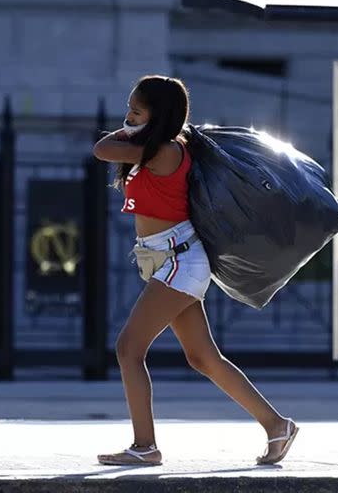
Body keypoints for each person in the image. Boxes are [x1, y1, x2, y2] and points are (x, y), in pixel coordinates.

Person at [92, 76, 298, 466]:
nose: (128, 118)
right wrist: (141, 125)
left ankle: (145, 446)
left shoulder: (166, 151)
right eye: (129, 111)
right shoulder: (156, 146)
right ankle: (277, 425)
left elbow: (102, 148)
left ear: (160, 118)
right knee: (203, 358)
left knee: (128, 349)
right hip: (168, 260)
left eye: (136, 112)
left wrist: (138, 131)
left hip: (178, 261)